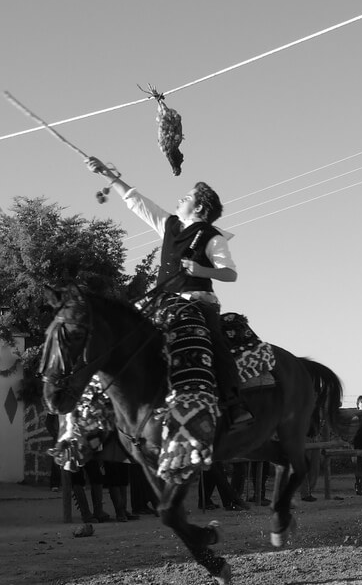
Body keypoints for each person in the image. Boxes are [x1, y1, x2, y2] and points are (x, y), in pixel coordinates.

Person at [86, 157, 252, 484]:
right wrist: (108, 175)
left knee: (210, 343)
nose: (180, 199)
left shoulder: (213, 238)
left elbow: (230, 273)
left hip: (197, 303)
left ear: (200, 208)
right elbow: (138, 203)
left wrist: (201, 271)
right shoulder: (170, 225)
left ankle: (234, 404)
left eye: (186, 197)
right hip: (162, 304)